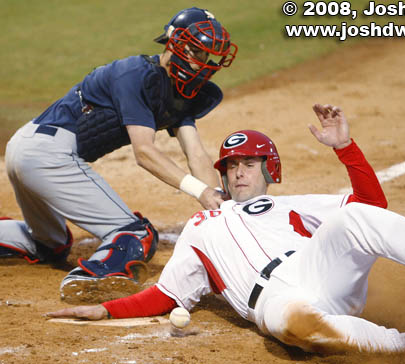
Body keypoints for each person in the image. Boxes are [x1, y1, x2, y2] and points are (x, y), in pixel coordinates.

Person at [47, 104, 405, 354]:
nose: (239, 172)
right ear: (222, 174)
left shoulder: (295, 206)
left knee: (352, 215)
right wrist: (107, 310)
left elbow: (373, 208)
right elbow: (167, 296)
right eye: (232, 165)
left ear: (269, 169)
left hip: (319, 269)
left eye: (250, 163)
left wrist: (345, 148)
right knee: (297, 325)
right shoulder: (201, 227)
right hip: (275, 300)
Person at [0, 7, 238, 301]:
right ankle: (94, 278)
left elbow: (197, 154)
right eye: (196, 52)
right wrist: (199, 191)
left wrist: (219, 206)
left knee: (51, 244)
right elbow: (145, 152)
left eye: (206, 57)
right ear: (174, 43)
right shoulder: (135, 74)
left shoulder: (178, 92)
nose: (202, 64)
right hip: (47, 155)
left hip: (28, 150)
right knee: (135, 234)